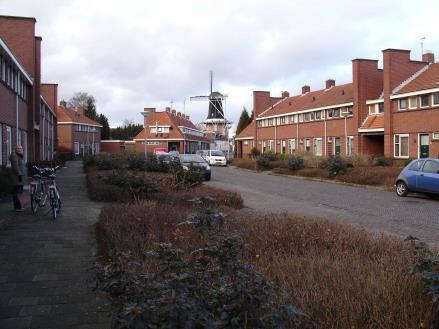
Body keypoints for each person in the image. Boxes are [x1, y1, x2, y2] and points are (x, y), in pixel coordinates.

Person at [9, 145, 26, 211]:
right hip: (17, 177)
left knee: (17, 192)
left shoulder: (19, 155)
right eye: (18, 148)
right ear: (15, 149)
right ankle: (17, 207)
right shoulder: (15, 156)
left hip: (19, 177)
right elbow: (15, 167)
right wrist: (19, 175)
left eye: (21, 148)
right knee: (17, 192)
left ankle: (17, 207)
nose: (20, 149)